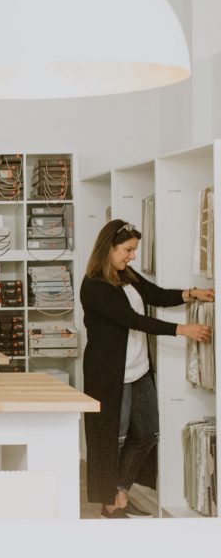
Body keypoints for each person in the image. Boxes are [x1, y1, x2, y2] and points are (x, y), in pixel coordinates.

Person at [80, 220, 213, 519]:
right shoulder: (94, 285)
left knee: (148, 432)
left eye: (134, 250)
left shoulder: (125, 275)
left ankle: (119, 491)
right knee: (115, 438)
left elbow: (156, 294)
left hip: (138, 370)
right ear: (109, 248)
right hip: (109, 376)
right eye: (127, 250)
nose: (132, 256)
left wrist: (191, 294)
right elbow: (133, 319)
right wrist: (182, 329)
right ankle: (110, 503)